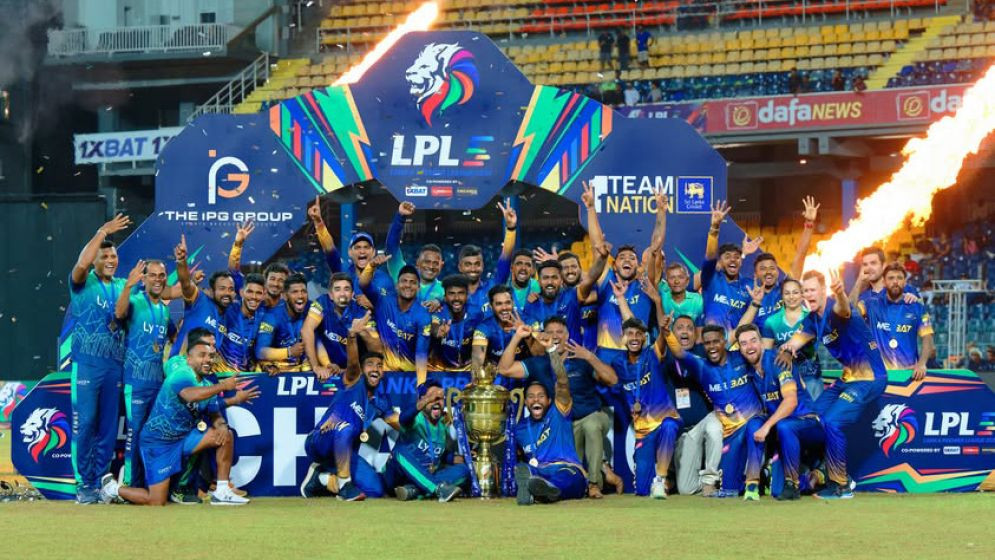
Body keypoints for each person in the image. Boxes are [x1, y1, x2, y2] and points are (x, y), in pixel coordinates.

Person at [99, 328, 248, 506]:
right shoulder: (182, 374)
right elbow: (190, 395)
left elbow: (214, 410)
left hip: (184, 439)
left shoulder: (207, 384)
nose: (207, 360)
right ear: (189, 358)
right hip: (158, 442)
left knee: (226, 435)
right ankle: (112, 489)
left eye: (210, 356)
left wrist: (224, 420)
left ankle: (222, 491)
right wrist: (223, 386)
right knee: (156, 501)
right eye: (201, 355)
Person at [779, 269, 888, 499]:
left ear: (823, 291)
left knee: (832, 421)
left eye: (812, 290)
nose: (808, 294)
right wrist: (787, 350)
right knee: (811, 416)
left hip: (870, 378)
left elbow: (844, 309)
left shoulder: (834, 308)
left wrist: (840, 293)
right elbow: (794, 342)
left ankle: (841, 485)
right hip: (847, 379)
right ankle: (816, 470)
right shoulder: (812, 320)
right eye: (805, 290)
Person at [498, 317, 617, 499]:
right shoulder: (539, 363)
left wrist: (590, 357)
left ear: (567, 335)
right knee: (564, 468)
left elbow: (612, 380)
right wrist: (517, 337)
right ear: (542, 336)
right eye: (550, 332)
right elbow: (504, 369)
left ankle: (593, 484)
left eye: (559, 332)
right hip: (561, 423)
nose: (555, 336)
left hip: (588, 415)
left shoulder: (580, 359)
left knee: (591, 427)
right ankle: (539, 484)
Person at [67, 213, 131, 504]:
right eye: (104, 256)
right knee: (86, 424)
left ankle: (102, 480)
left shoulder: (122, 286)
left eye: (113, 255)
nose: (110, 260)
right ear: (94, 259)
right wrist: (103, 231)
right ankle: (84, 483)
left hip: (114, 366)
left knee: (107, 427)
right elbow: (81, 264)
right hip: (87, 365)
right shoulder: (82, 282)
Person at [301, 315, 400, 501]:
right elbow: (353, 363)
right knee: (345, 427)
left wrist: (421, 412)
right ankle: (345, 485)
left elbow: (395, 421)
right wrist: (352, 335)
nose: (375, 369)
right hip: (321, 441)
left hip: (344, 452)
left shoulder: (381, 400)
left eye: (379, 366)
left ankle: (321, 479)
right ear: (362, 370)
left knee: (375, 489)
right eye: (370, 365)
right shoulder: (354, 381)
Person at [665, 324, 765, 500]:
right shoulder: (701, 366)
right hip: (731, 433)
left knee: (754, 428)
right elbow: (679, 353)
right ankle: (751, 477)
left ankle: (753, 483)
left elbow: (760, 353)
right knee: (730, 489)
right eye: (707, 343)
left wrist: (786, 352)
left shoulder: (740, 357)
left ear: (724, 341)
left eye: (716, 342)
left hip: (753, 422)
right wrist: (667, 333)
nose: (711, 347)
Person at [736, 324, 823, 501]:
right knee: (754, 424)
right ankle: (752, 485)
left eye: (753, 341)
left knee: (784, 426)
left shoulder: (778, 361)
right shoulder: (749, 370)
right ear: (739, 348)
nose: (750, 347)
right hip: (780, 427)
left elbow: (791, 401)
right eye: (744, 343)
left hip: (807, 422)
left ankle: (805, 480)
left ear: (762, 342)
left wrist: (767, 426)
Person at [114, 258, 174, 489]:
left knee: (154, 435)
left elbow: (172, 337)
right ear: (144, 279)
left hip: (157, 384)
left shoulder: (164, 310)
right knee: (136, 433)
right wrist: (128, 286)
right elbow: (119, 313)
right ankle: (130, 484)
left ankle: (152, 485)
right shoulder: (135, 301)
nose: (158, 279)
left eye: (162, 275)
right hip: (136, 383)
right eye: (153, 275)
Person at [512, 334, 588, 505]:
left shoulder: (559, 412)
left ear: (549, 400)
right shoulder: (520, 429)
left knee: (568, 477)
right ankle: (538, 489)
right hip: (539, 471)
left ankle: (548, 489)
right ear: (526, 402)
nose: (535, 400)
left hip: (565, 467)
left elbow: (562, 381)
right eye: (530, 397)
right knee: (523, 469)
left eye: (540, 396)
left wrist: (552, 350)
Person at [611, 317, 682, 499]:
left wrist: (663, 329)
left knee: (669, 425)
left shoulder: (651, 355)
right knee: (642, 490)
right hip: (643, 430)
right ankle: (665, 480)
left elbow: (661, 342)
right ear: (623, 338)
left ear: (644, 337)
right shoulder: (618, 363)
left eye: (638, 334)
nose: (634, 338)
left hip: (665, 419)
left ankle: (661, 479)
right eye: (629, 334)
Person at [384, 380, 468, 502]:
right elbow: (403, 418)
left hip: (425, 477)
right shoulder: (415, 419)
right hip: (397, 477)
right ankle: (437, 489)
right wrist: (427, 400)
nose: (436, 401)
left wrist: (459, 459)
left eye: (440, 398)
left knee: (463, 470)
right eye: (432, 397)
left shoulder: (443, 426)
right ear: (421, 400)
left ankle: (413, 491)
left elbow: (439, 454)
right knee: (399, 452)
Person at [360, 259, 431, 385]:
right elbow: (363, 284)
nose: (408, 285)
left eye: (413, 282)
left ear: (418, 288)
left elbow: (421, 354)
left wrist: (421, 384)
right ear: (397, 285)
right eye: (404, 281)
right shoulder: (383, 301)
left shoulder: (423, 317)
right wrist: (371, 266)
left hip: (409, 376)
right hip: (383, 374)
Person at [860, 263, 935, 380]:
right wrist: (859, 284)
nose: (895, 282)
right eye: (891, 278)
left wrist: (922, 363)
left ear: (905, 282)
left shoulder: (917, 306)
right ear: (884, 282)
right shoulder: (871, 304)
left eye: (899, 278)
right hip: (879, 376)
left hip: (908, 376)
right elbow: (847, 313)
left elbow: (928, 337)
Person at [302, 272, 380, 379]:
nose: (342, 294)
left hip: (355, 371)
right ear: (330, 295)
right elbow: (306, 330)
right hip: (327, 367)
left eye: (346, 289)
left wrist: (363, 333)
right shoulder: (322, 303)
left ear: (352, 294)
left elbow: (377, 350)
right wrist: (315, 366)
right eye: (337, 289)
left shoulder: (361, 312)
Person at [523, 249, 605, 344]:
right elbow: (532, 337)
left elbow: (591, 278)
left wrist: (603, 258)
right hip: (548, 353)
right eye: (545, 278)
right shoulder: (531, 304)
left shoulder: (571, 296)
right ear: (539, 282)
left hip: (575, 352)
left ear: (561, 280)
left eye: (554, 277)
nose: (550, 282)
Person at [458, 200, 517, 321]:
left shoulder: (492, 287)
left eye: (477, 264)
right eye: (468, 264)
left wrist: (511, 228)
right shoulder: (454, 294)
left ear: (483, 266)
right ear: (460, 267)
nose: (473, 268)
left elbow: (505, 258)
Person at [699, 201, 752, 333]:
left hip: (736, 343)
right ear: (720, 261)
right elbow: (710, 256)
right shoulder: (711, 278)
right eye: (727, 256)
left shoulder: (749, 286)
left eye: (737, 257)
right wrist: (714, 228)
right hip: (711, 339)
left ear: (741, 261)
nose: (733, 259)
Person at [384, 201, 445, 304]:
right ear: (418, 263)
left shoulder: (445, 289)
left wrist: (440, 301)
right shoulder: (402, 275)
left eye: (435, 263)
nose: (431, 266)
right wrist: (400, 217)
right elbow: (391, 247)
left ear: (441, 265)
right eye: (427, 262)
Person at [256, 272, 311, 373]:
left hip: (300, 368)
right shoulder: (272, 316)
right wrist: (289, 352)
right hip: (277, 369)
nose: (300, 296)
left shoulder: (311, 310)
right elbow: (260, 351)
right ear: (285, 296)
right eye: (295, 292)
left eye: (304, 291)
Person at [472, 285, 540, 368]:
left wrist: (527, 335)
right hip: (496, 373)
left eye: (508, 303)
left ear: (513, 303)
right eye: (499, 304)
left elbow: (539, 355)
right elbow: (477, 364)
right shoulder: (483, 329)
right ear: (491, 307)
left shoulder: (530, 322)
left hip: (523, 373)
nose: (504, 308)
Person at [429, 274, 478, 372]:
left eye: (461, 293)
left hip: (468, 370)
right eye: (451, 293)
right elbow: (434, 325)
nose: (456, 298)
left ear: (467, 296)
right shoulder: (439, 312)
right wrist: (436, 332)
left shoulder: (476, 314)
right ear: (445, 297)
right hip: (440, 370)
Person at [849, 246, 919, 305]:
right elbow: (848, 312)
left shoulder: (906, 289)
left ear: (884, 265)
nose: (869, 268)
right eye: (865, 264)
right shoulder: (864, 297)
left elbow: (920, 311)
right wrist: (859, 281)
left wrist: (915, 300)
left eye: (873, 263)